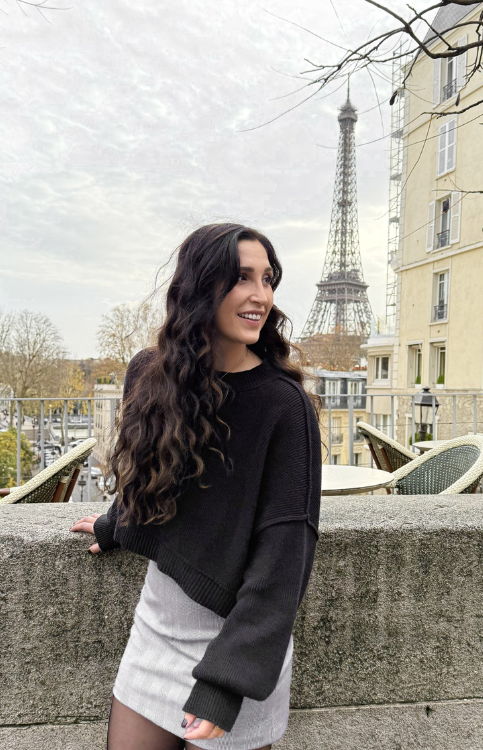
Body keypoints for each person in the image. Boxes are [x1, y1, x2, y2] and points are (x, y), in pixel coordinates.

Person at [71, 223, 321, 750]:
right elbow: (152, 475)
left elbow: (284, 555)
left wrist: (224, 686)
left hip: (236, 650)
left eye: (268, 279)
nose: (261, 296)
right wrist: (116, 524)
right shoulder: (149, 374)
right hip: (157, 630)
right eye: (242, 278)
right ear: (202, 286)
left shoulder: (284, 406)